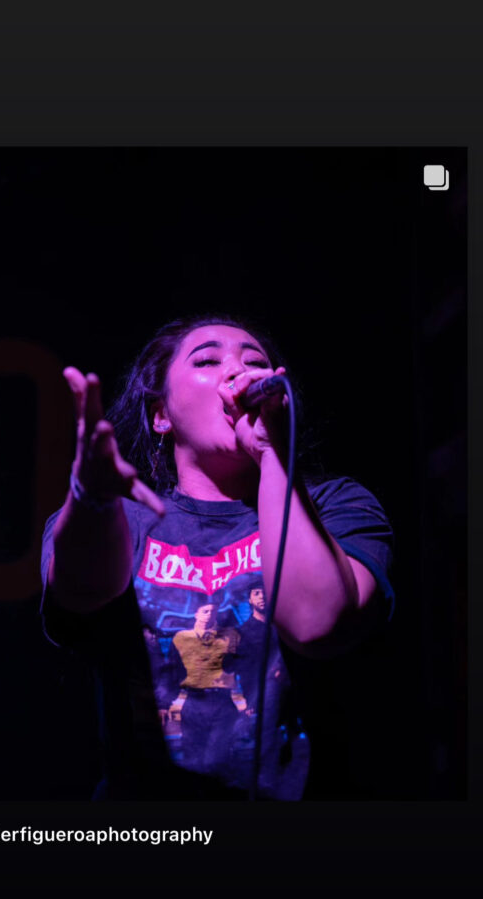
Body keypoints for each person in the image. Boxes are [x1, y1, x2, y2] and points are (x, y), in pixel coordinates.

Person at [40, 314, 395, 800]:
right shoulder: (126, 520)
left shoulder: (337, 506)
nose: (237, 372)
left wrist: (272, 452)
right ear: (161, 415)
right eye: (207, 361)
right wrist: (90, 497)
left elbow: (316, 622)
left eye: (255, 363)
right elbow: (81, 591)